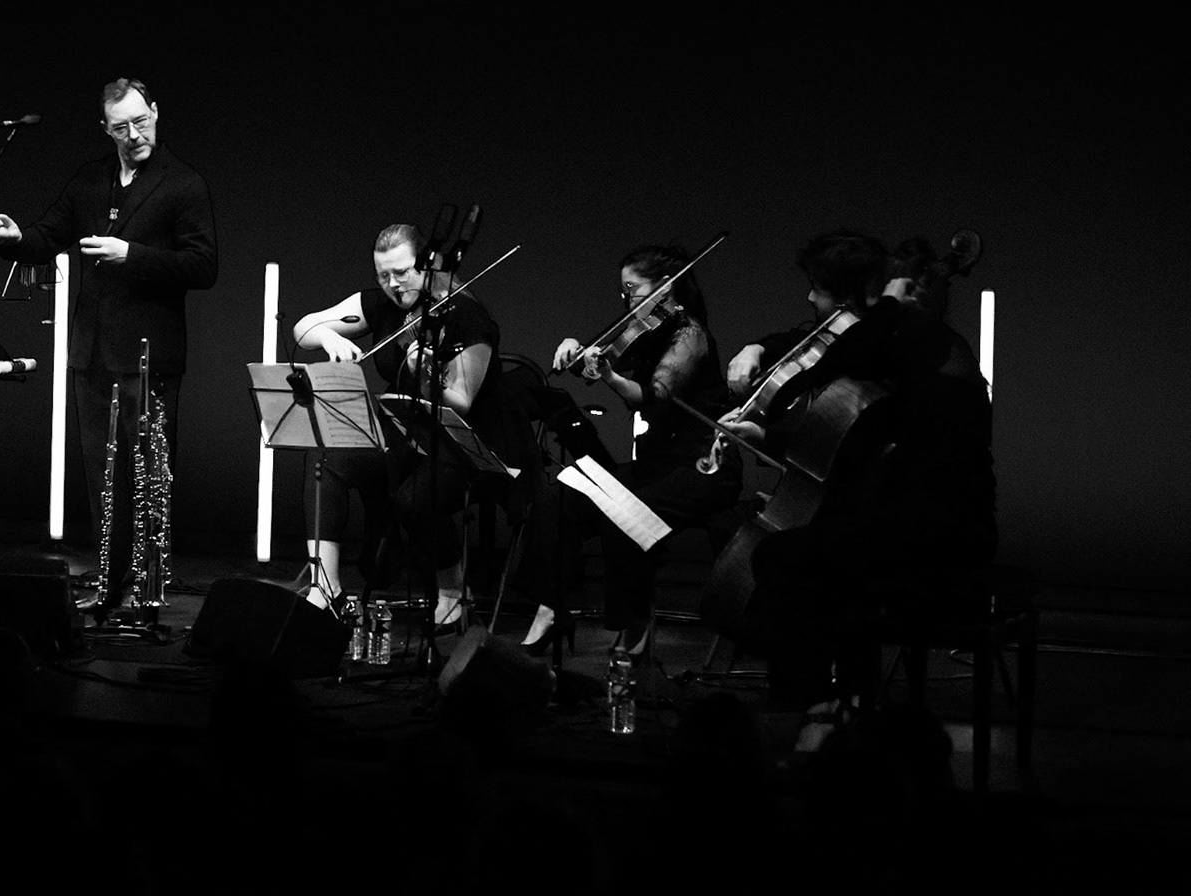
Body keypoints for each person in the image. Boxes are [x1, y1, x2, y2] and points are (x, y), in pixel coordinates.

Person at [727, 228, 996, 709]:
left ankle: (811, 712)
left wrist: (890, 307)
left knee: (780, 560)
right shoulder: (914, 348)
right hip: (914, 524)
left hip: (943, 536)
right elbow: (850, 433)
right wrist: (767, 435)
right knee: (815, 558)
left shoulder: (932, 348)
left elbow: (844, 357)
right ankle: (846, 705)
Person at [0, 78, 218, 618]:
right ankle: (109, 586)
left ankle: (148, 593)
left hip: (149, 355)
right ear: (105, 128)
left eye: (141, 121)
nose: (134, 134)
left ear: (156, 113)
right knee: (102, 480)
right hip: (91, 352)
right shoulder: (91, 179)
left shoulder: (183, 184)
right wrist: (15, 239)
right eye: (121, 127)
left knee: (148, 478)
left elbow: (204, 267)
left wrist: (131, 254)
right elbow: (48, 234)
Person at [292, 222, 541, 629]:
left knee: (413, 498)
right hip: (407, 432)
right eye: (383, 275)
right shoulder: (386, 305)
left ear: (430, 263)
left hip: (466, 443)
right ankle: (326, 587)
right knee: (327, 457)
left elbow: (462, 402)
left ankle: (452, 588)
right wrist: (327, 338)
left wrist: (427, 376)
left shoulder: (466, 316)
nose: (393, 283)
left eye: (402, 272)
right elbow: (303, 329)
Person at [548, 244, 741, 658]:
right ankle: (549, 606)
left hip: (705, 464)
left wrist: (611, 376)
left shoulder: (690, 335)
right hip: (662, 461)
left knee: (624, 511)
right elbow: (617, 377)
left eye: (632, 289)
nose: (627, 301)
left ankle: (634, 624)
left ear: (665, 287)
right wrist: (578, 351)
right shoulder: (650, 333)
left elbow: (652, 397)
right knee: (566, 491)